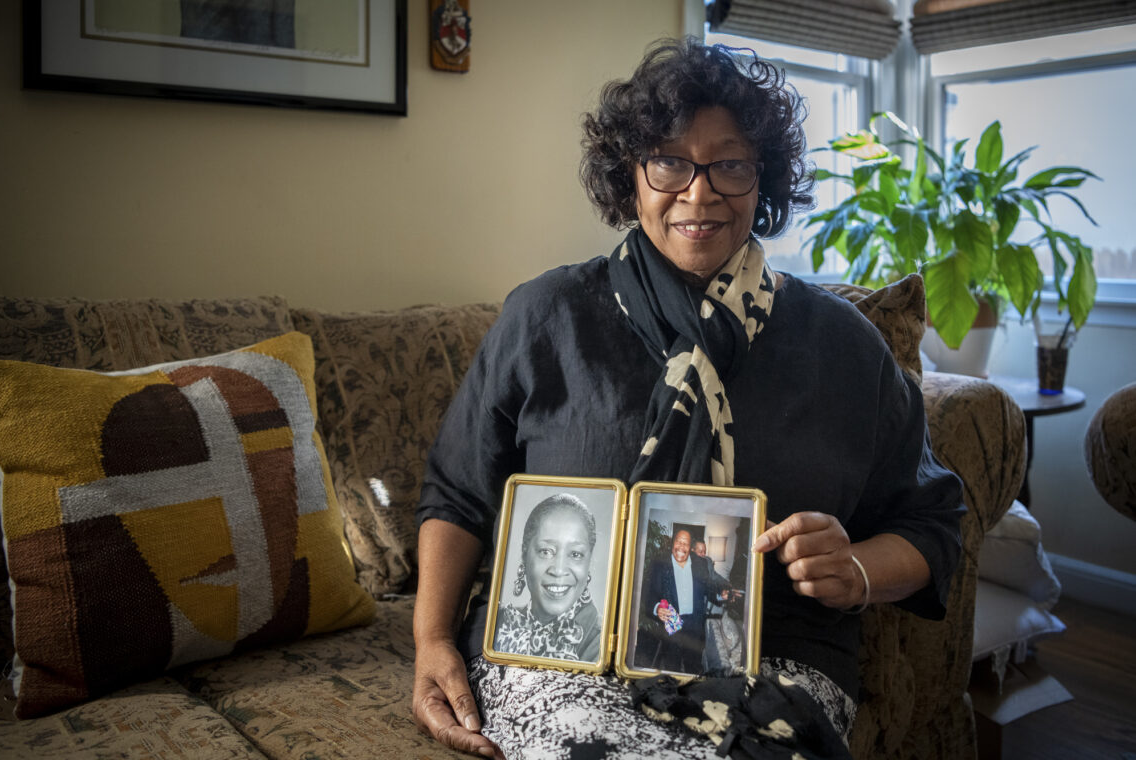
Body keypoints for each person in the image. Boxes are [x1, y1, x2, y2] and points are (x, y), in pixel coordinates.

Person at [412, 37, 964, 759]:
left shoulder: (846, 346)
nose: (698, 193)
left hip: (775, 664)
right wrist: (429, 641)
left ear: (761, 178)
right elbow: (457, 495)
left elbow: (932, 524)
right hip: (559, 658)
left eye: (729, 164)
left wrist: (855, 569)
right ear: (630, 176)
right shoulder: (545, 316)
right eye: (670, 160)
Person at [491, 493, 602, 662]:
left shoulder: (600, 639)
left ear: (589, 562)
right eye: (546, 551)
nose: (558, 570)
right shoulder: (500, 620)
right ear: (524, 553)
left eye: (575, 554)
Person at [637, 529, 735, 673]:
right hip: (672, 625)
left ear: (690, 548)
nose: (682, 547)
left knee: (694, 667)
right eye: (679, 541)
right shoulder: (659, 563)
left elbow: (708, 586)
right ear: (673, 543)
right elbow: (648, 593)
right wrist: (657, 608)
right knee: (671, 667)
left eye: (686, 544)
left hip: (694, 626)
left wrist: (721, 594)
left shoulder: (700, 564)